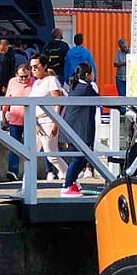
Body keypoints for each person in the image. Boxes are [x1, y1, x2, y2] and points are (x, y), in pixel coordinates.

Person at [60, 62, 100, 197]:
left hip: (72, 129)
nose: (94, 75)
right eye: (92, 73)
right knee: (78, 159)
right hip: (78, 130)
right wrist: (120, 107)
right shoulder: (85, 88)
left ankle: (71, 183)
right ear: (87, 75)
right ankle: (67, 185)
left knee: (80, 159)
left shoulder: (75, 86)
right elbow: (100, 100)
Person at [28, 54, 67, 181]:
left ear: (44, 66)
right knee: (29, 153)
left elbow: (58, 102)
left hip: (48, 120)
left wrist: (55, 123)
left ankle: (69, 177)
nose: (33, 69)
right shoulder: (36, 83)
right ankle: (25, 185)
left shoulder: (51, 80)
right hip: (36, 121)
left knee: (51, 154)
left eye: (35, 66)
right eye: (31, 67)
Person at [1, 63, 33, 181]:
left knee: (31, 147)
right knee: (14, 146)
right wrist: (3, 114)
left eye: (26, 76)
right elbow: (7, 98)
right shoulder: (12, 82)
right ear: (16, 75)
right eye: (21, 77)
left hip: (31, 120)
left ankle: (30, 172)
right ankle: (12, 171)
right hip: (15, 118)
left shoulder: (35, 82)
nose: (24, 79)